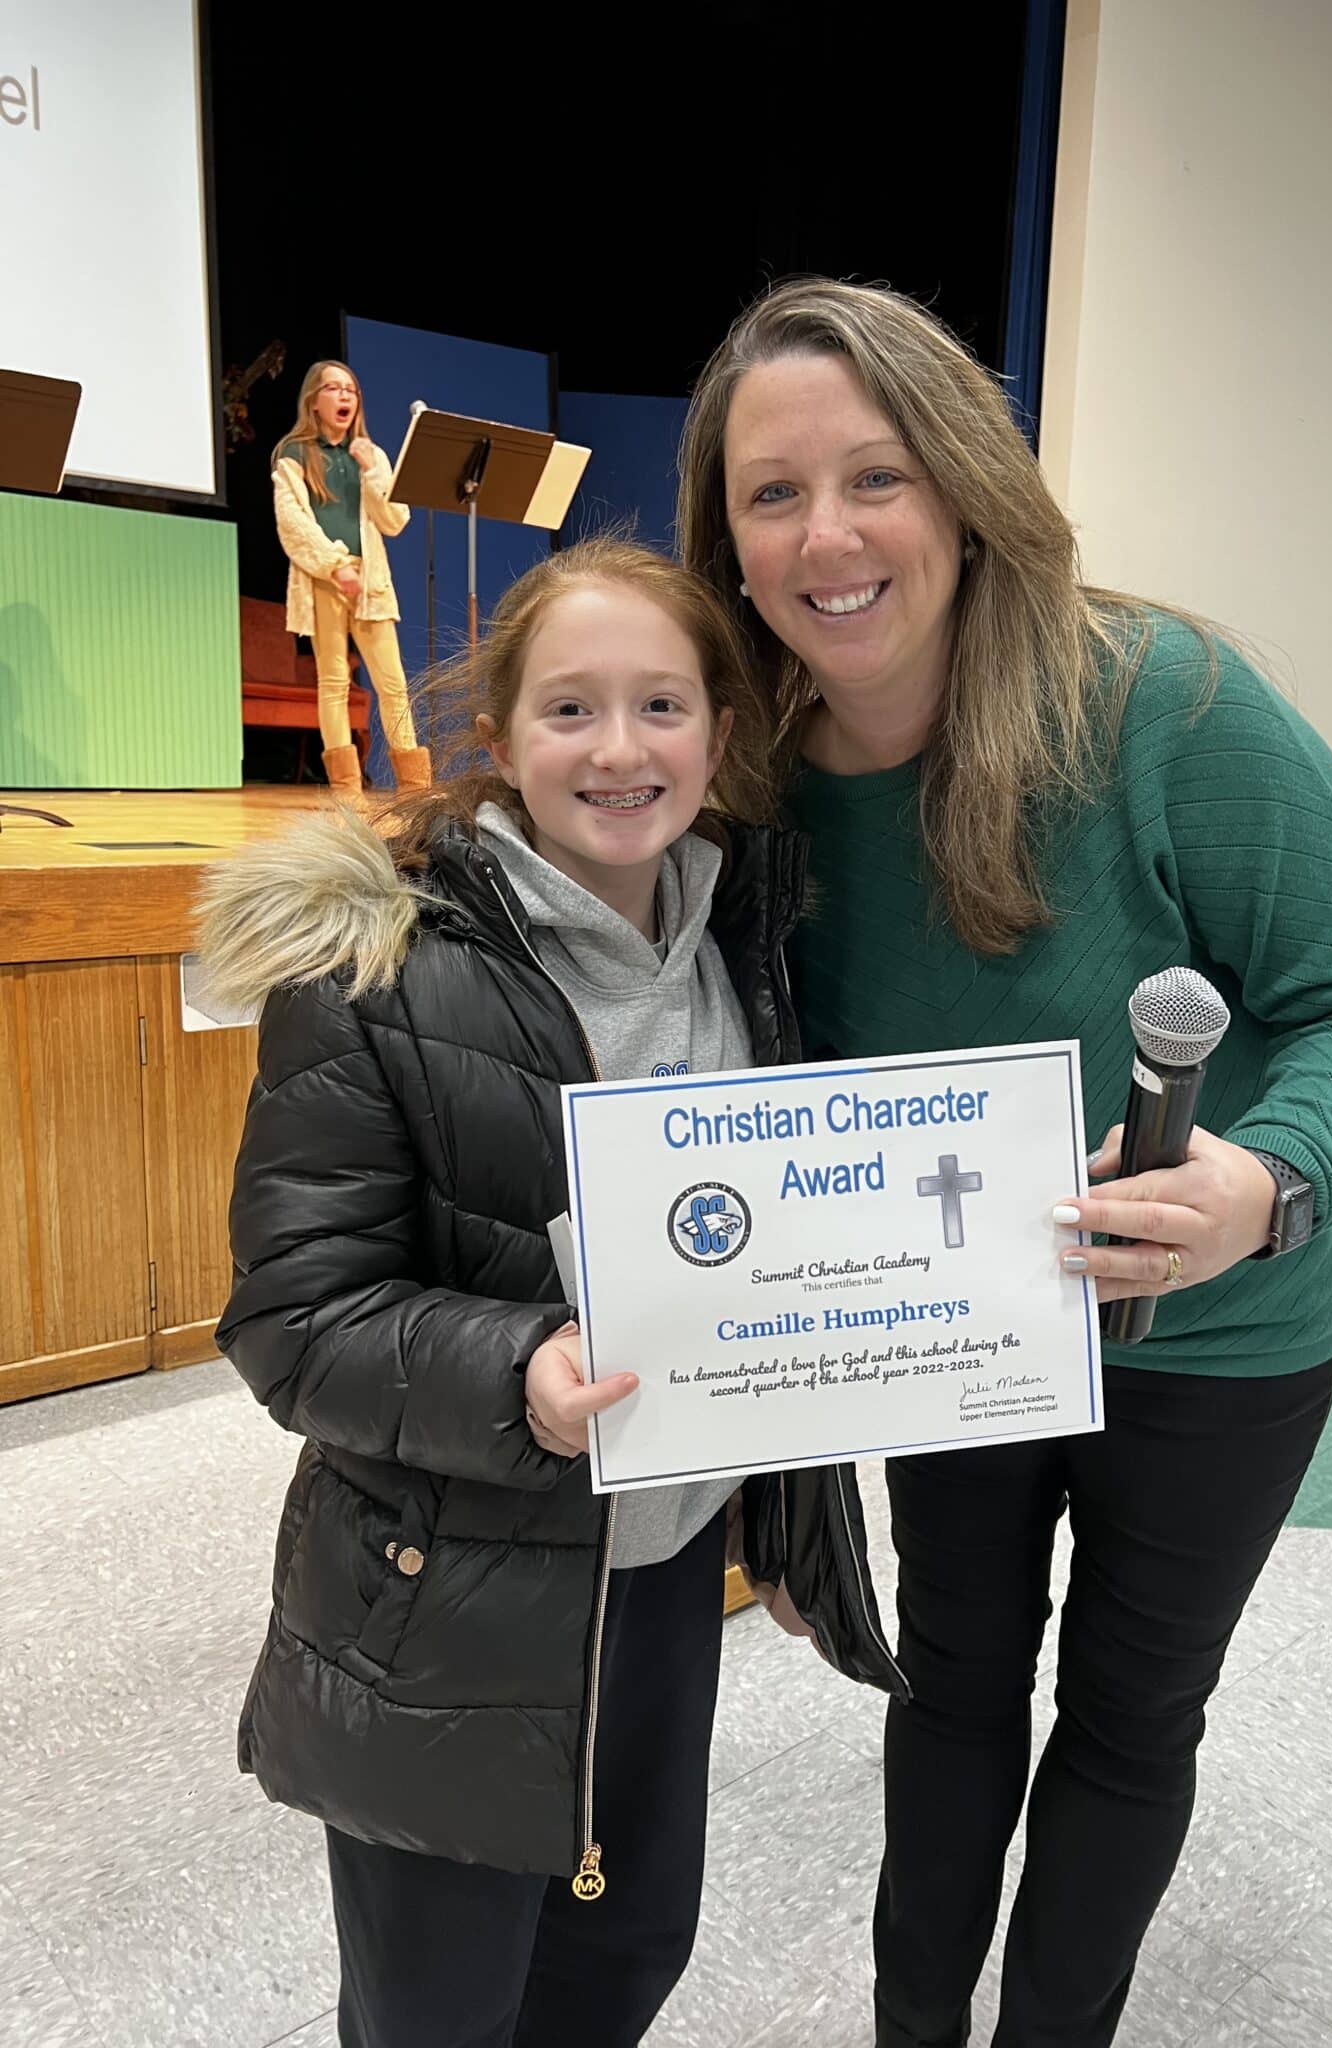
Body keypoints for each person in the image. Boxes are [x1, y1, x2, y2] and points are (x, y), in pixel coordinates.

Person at [677, 279, 1332, 2048]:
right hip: (969, 1326)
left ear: (959, 487)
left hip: (1225, 1333)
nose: (828, 535)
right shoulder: (750, 776)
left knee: (1123, 1712)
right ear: (726, 537)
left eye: (874, 476)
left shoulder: (1161, 699)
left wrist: (1261, 1182)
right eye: (771, 493)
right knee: (952, 1691)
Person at [197, 537, 897, 2048]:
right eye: (571, 709)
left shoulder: (752, 953)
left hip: (658, 1585)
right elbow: (292, 1318)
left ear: (722, 729)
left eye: (663, 704)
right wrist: (517, 1373)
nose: (622, 748)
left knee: (624, 1955)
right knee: (440, 2009)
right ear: (501, 736)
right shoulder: (377, 965)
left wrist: (795, 1506)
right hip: (445, 1595)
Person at [271, 359, 430, 798]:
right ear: (314, 400)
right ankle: (346, 786)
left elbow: (396, 519)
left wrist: (373, 472)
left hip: (370, 577)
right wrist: (334, 565)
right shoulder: (294, 453)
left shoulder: (370, 453)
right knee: (334, 680)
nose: (344, 397)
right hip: (324, 578)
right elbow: (293, 523)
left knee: (392, 681)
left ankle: (415, 785)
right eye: (334, 389)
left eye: (351, 390)